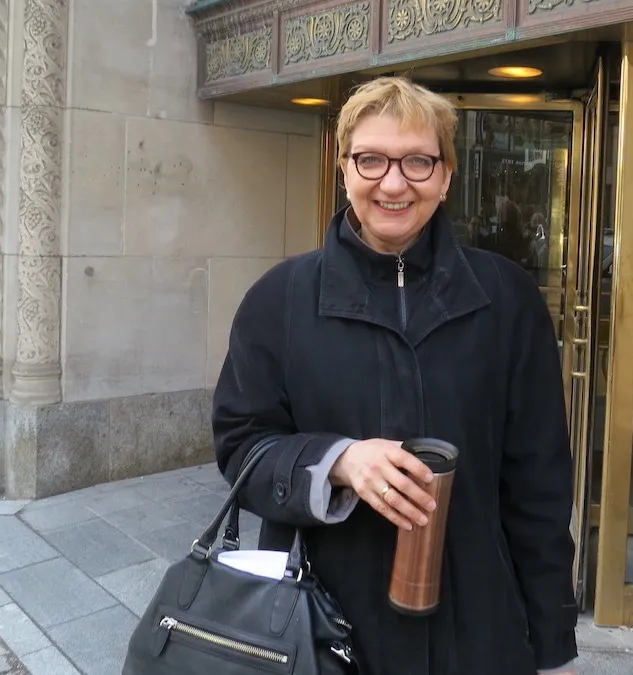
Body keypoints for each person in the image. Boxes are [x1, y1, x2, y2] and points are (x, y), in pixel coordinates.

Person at [211, 76, 578, 675]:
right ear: (344, 169)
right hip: (324, 627)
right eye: (372, 159)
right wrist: (339, 463)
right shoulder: (278, 300)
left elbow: (538, 481)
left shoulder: (507, 299)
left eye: (417, 161)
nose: (393, 182)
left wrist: (550, 634)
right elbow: (241, 449)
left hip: (481, 628)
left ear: (447, 174)